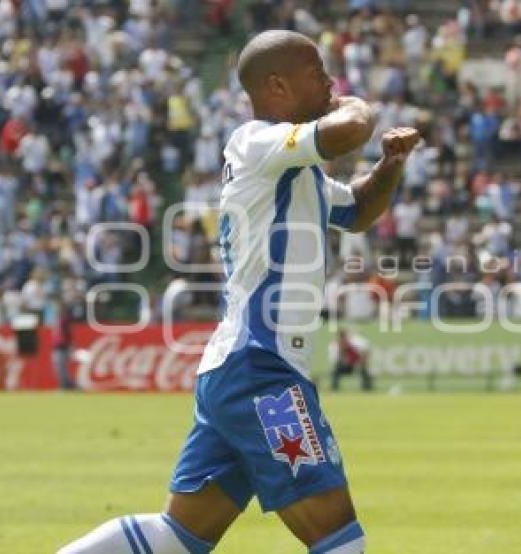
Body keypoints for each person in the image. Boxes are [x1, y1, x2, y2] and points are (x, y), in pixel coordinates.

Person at [59, 30, 420, 554]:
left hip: (241, 369)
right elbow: (347, 130)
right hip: (261, 372)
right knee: (338, 537)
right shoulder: (256, 142)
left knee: (178, 536)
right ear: (276, 86)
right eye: (317, 74)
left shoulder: (293, 170)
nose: (329, 83)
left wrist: (389, 164)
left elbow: (358, 211)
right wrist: (358, 107)